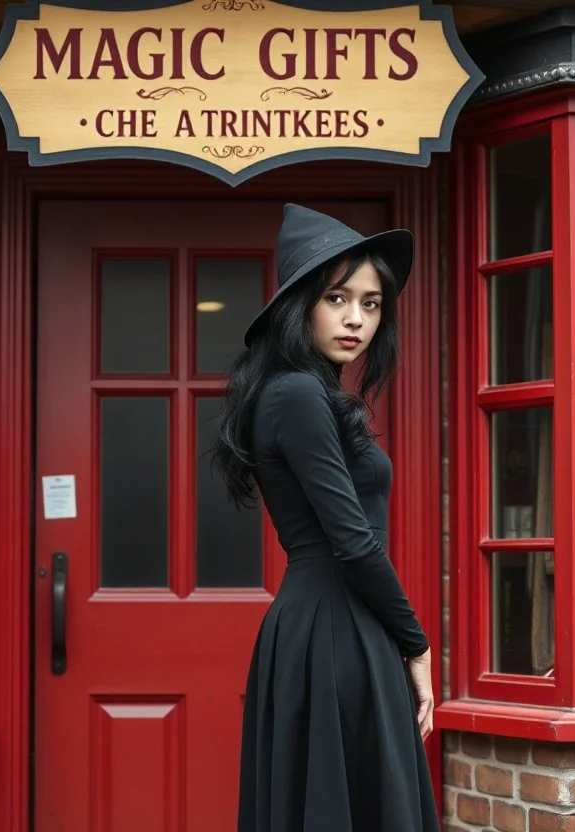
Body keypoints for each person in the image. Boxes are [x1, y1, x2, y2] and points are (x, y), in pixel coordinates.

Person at [214, 204, 437, 832]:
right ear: (300, 304)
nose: (356, 319)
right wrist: (416, 645)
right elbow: (354, 543)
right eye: (338, 297)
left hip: (329, 627)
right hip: (337, 630)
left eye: (371, 304)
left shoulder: (302, 392)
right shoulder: (297, 393)